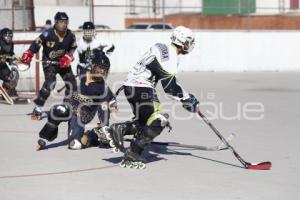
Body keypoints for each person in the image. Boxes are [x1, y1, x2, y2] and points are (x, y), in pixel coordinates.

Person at [109, 26, 199, 169]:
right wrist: (188, 100)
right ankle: (133, 152)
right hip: (141, 88)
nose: (190, 45)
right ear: (182, 41)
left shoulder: (161, 46)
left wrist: (185, 97)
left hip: (131, 87)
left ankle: (122, 129)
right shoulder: (171, 56)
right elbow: (170, 87)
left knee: (146, 123)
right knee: (159, 121)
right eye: (188, 41)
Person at [36, 49, 117, 150]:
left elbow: (104, 108)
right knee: (59, 110)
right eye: (100, 68)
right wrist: (63, 61)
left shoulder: (102, 88)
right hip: (70, 106)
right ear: (92, 66)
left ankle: (92, 135)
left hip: (82, 114)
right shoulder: (82, 74)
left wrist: (104, 126)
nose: (102, 71)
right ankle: (44, 139)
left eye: (105, 69)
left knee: (75, 145)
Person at [21, 12, 77, 118]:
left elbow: (73, 47)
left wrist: (69, 56)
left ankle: (67, 105)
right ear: (55, 23)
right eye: (61, 22)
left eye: (65, 22)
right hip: (49, 63)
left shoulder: (70, 35)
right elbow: (36, 43)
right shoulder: (48, 34)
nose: (63, 24)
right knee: (50, 83)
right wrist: (29, 53)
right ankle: (38, 107)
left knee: (72, 83)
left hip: (63, 63)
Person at [77, 21, 114, 92]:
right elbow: (83, 58)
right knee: (86, 87)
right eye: (86, 31)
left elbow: (112, 47)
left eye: (90, 31)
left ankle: (109, 97)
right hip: (84, 68)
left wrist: (104, 54)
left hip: (96, 67)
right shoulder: (79, 43)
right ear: (83, 32)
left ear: (94, 32)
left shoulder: (98, 41)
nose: (88, 33)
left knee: (100, 84)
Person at [0, 28, 29, 104]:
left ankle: (5, 93)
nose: (9, 38)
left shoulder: (10, 44)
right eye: (7, 36)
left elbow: (10, 54)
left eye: (10, 36)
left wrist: (14, 59)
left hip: (1, 66)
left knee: (11, 77)